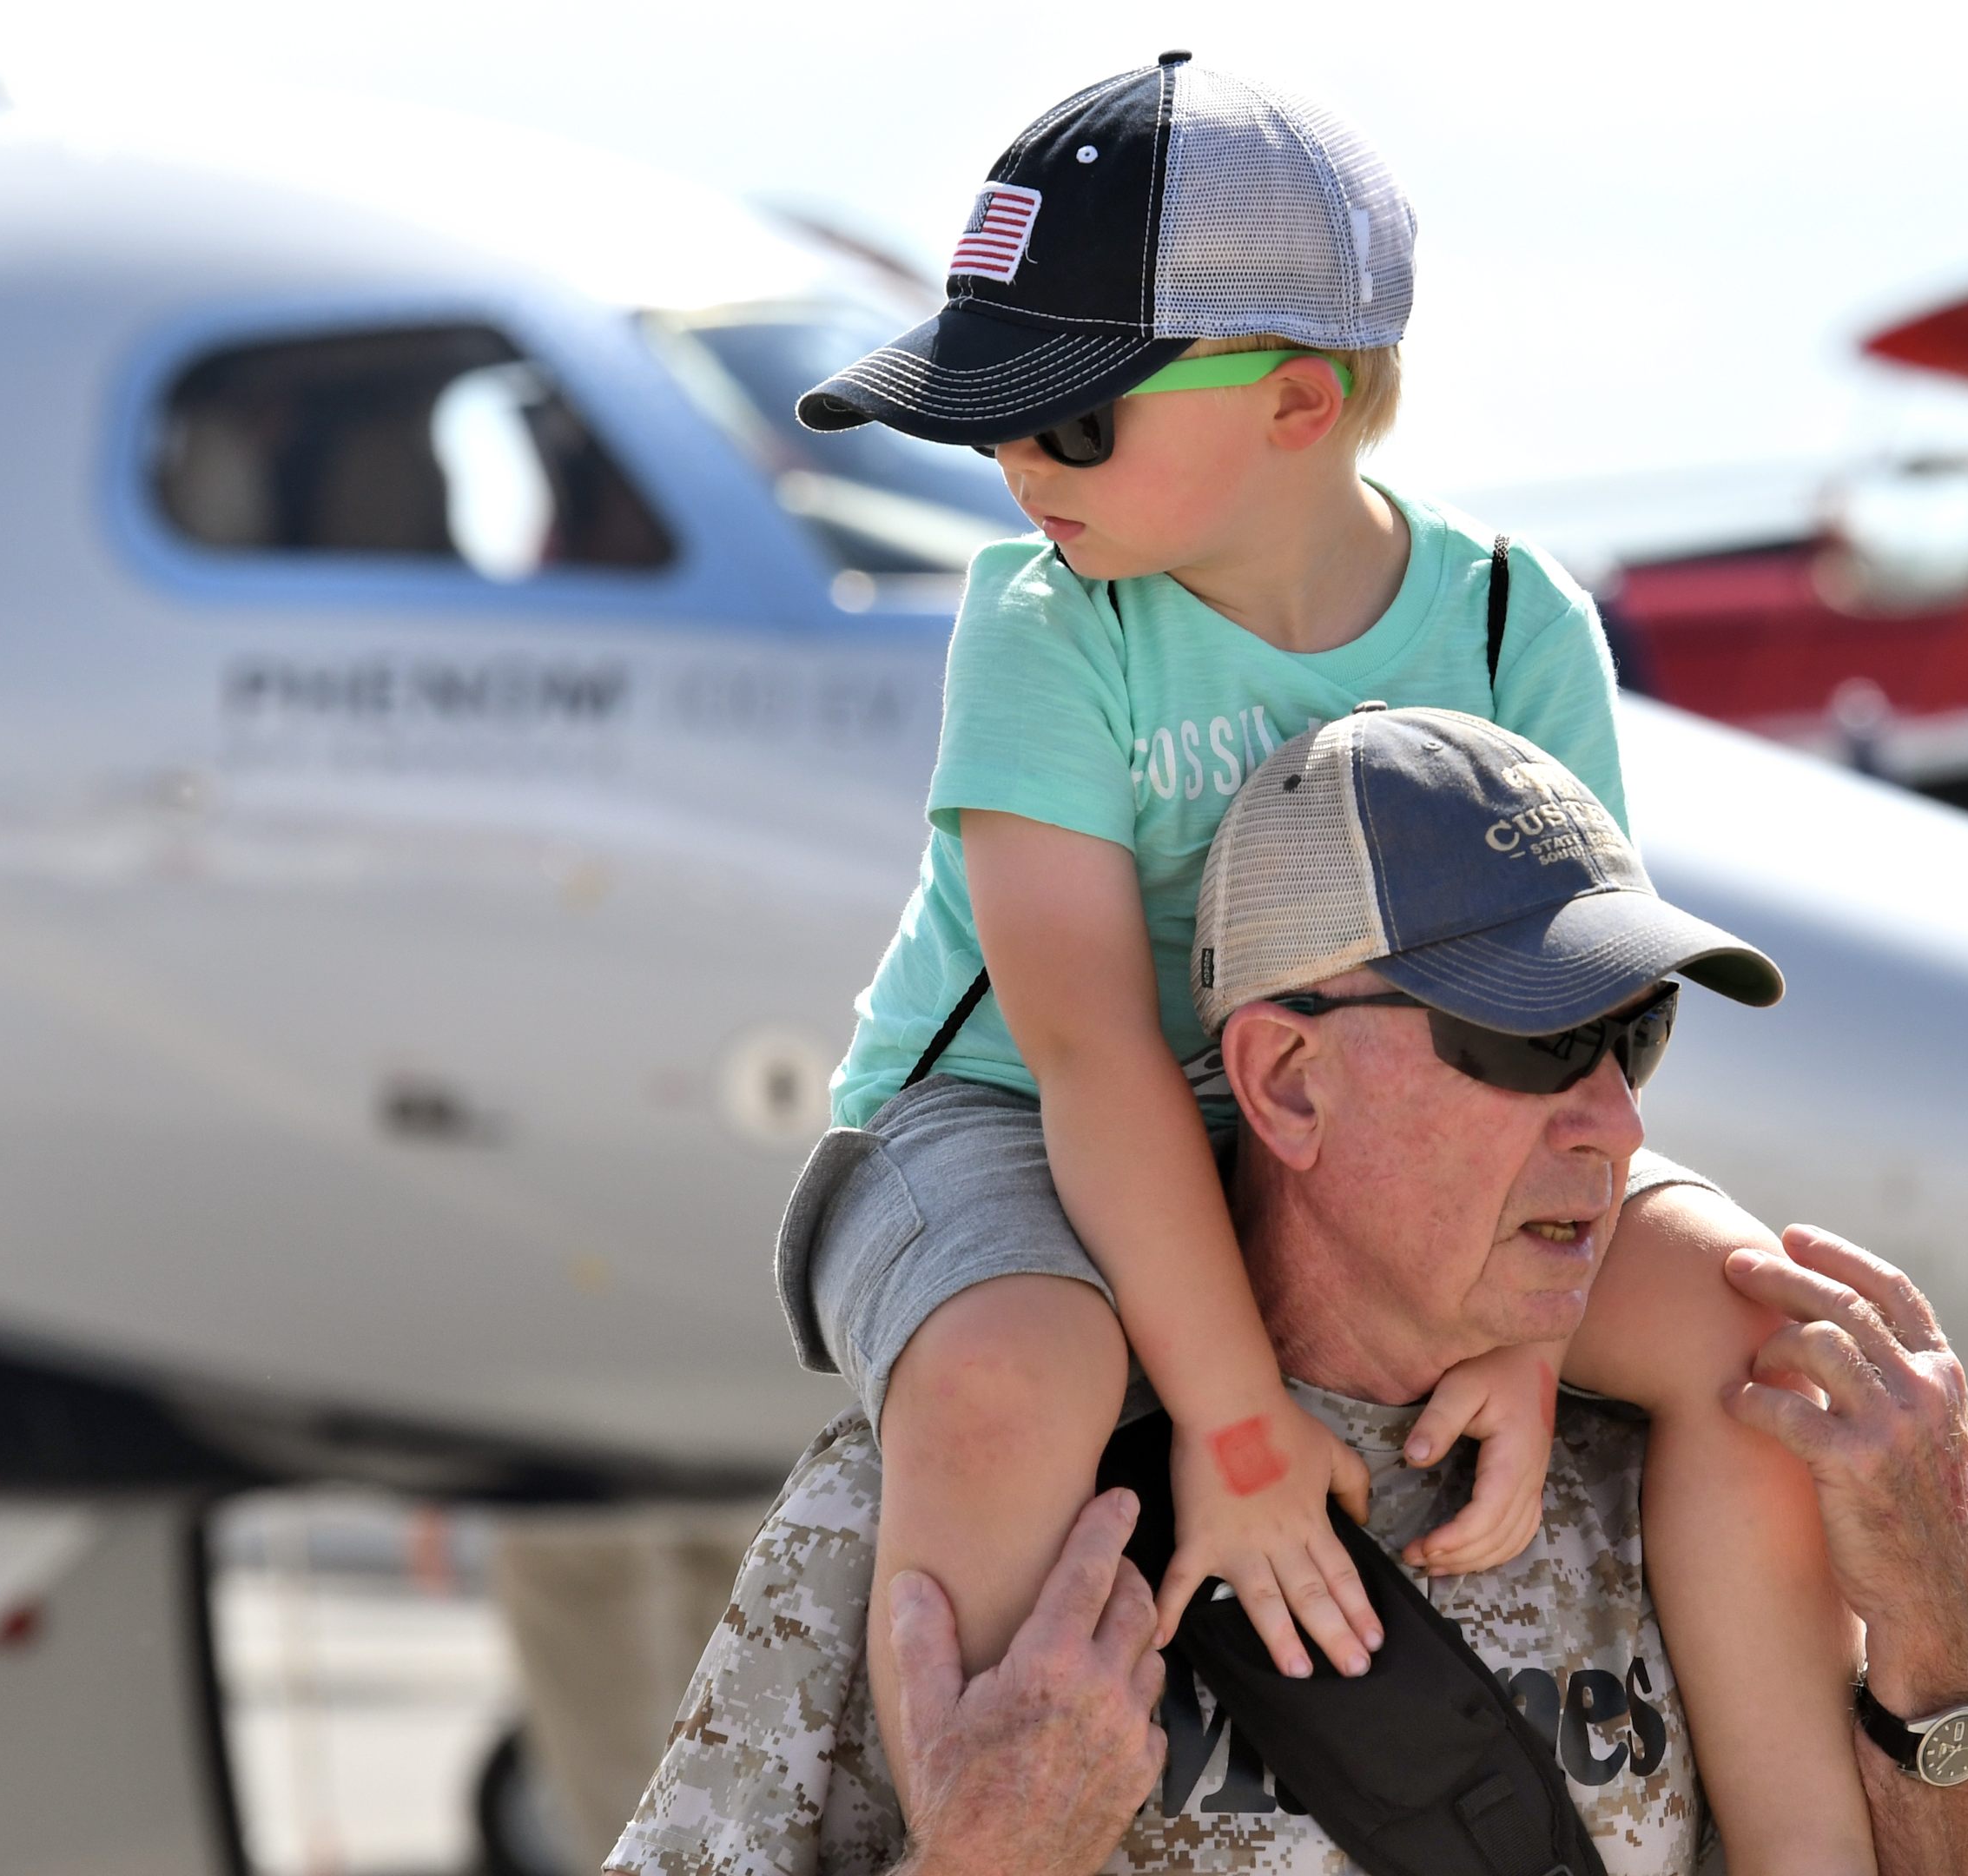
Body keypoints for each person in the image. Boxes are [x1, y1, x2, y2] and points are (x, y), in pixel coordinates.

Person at [773, 55, 1868, 1871]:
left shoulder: (1512, 618)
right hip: (999, 1115)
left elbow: (1576, 1000)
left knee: (1753, 1331)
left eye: (1069, 419)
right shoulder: (1048, 633)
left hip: (1379, 1133)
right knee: (1008, 1380)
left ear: (1296, 402)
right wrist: (1241, 1426)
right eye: (990, 417)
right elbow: (1090, 1056)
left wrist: (1524, 1327)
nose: (1014, 464)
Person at [612, 710, 1968, 1876]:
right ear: (1288, 1081)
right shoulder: (946, 1495)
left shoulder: (1682, 1483)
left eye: (1630, 1035)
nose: (1616, 1125)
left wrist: (1944, 1646)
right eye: (1528, 1042)